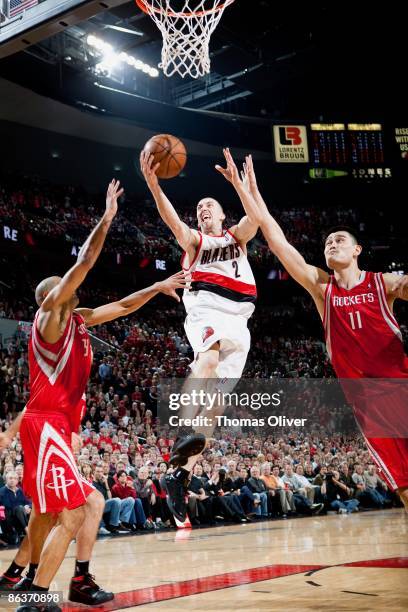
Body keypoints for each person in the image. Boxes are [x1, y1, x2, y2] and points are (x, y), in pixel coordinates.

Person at [2, 179, 186, 612]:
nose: (71, 289)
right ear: (52, 296)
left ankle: (77, 580)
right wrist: (105, 218)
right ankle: (33, 597)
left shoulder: (79, 321)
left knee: (92, 502)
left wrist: (157, 287)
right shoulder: (48, 317)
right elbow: (84, 261)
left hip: (58, 428)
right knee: (69, 514)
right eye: (63, 286)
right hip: (43, 424)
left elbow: (121, 307)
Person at [220, 149, 408, 513]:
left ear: (357, 250)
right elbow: (276, 241)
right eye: (327, 243)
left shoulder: (383, 284)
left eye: (339, 239)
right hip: (369, 405)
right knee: (402, 485)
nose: (331, 244)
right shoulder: (323, 289)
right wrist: (249, 192)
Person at [140, 151, 259, 521]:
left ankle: (181, 474)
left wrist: (239, 185)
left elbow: (255, 219)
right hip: (206, 311)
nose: (204, 208)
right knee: (206, 359)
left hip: (240, 322)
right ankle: (182, 431)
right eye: (201, 207)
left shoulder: (237, 237)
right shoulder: (195, 243)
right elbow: (172, 220)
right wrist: (154, 185)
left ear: (223, 215)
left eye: (211, 205)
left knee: (217, 406)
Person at [0, 472, 31, 543]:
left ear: (17, 481)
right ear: (6, 480)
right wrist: (22, 507)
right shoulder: (1, 492)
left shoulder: (19, 490)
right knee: (19, 508)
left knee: (24, 508)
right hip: (8, 520)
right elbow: (8, 507)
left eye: (15, 478)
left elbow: (28, 502)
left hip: (20, 519)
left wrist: (27, 506)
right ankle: (27, 530)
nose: (12, 480)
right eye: (10, 478)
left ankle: (26, 530)